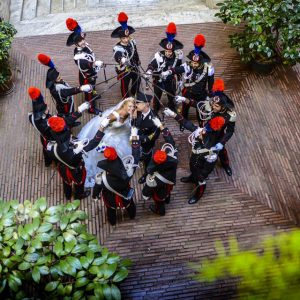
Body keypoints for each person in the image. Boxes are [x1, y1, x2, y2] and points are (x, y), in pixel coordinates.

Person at [163, 107, 225, 204]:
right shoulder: (202, 131)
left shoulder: (211, 150)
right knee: (193, 169)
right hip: (194, 160)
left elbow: (208, 168)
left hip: (201, 166)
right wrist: (173, 114)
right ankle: (192, 177)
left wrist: (201, 176)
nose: (201, 130)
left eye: (204, 131)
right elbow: (187, 124)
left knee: (200, 181)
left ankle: (198, 194)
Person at [176, 79, 236, 176]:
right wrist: (184, 100)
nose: (213, 107)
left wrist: (221, 142)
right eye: (213, 105)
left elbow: (230, 131)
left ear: (223, 107)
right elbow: (197, 104)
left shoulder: (229, 116)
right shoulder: (211, 105)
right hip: (205, 132)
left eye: (216, 106)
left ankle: (226, 165)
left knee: (222, 152)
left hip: (218, 137)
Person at [78, 97, 136, 187]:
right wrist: (103, 130)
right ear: (124, 105)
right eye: (129, 106)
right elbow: (104, 123)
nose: (131, 108)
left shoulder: (130, 113)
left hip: (121, 133)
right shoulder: (115, 115)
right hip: (110, 135)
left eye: (133, 106)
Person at [46, 112, 104, 200]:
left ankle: (68, 194)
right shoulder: (75, 151)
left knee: (66, 182)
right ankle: (79, 195)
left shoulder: (53, 146)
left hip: (62, 167)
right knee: (79, 184)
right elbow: (93, 143)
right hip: (76, 170)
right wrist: (101, 129)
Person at [161, 34, 214, 127]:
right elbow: (178, 69)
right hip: (188, 92)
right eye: (192, 62)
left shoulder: (208, 69)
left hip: (200, 94)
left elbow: (210, 83)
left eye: (195, 63)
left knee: (200, 112)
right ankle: (182, 124)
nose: (193, 64)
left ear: (200, 62)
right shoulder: (188, 65)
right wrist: (168, 72)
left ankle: (201, 126)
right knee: (185, 110)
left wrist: (209, 95)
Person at [28, 87, 89, 167]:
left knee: (46, 151)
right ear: (42, 114)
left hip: (44, 137)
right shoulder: (47, 124)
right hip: (53, 139)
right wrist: (78, 111)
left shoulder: (33, 117)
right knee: (59, 153)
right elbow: (65, 122)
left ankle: (48, 162)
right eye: (46, 109)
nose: (48, 108)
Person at [92, 127, 140, 226]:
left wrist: (95, 195)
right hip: (124, 193)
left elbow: (97, 189)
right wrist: (134, 138)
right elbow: (135, 155)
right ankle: (132, 215)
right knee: (129, 205)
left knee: (111, 209)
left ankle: (113, 222)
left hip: (110, 197)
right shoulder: (127, 173)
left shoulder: (101, 179)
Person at [66, 17, 104, 115]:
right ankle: (91, 108)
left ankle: (94, 94)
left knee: (93, 88)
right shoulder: (78, 56)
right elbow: (84, 65)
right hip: (87, 76)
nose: (83, 42)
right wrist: (95, 64)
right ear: (76, 44)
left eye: (83, 39)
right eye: (80, 41)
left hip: (92, 73)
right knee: (89, 92)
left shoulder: (83, 46)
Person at [141, 117, 178, 216]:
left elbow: (148, 188)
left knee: (159, 201)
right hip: (169, 181)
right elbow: (170, 140)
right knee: (167, 193)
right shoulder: (173, 159)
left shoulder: (155, 176)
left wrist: (145, 194)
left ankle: (160, 211)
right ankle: (168, 199)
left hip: (159, 188)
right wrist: (162, 127)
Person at [144, 22, 183, 113]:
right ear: (164, 50)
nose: (168, 53)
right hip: (159, 81)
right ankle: (155, 109)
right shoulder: (159, 56)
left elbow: (179, 68)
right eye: (167, 51)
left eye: (170, 51)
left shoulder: (177, 57)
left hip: (170, 80)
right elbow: (152, 65)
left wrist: (180, 80)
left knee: (171, 96)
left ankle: (172, 108)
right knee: (157, 96)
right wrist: (149, 72)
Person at [133, 92, 161, 184]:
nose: (136, 105)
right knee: (139, 154)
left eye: (138, 103)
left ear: (146, 104)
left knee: (147, 159)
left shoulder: (155, 119)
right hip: (138, 140)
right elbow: (135, 124)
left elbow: (154, 136)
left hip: (147, 144)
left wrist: (139, 138)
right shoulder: (138, 112)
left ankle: (146, 173)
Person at [111, 12, 141, 98]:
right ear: (120, 38)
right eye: (124, 38)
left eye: (127, 37)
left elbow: (135, 52)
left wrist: (138, 60)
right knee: (124, 84)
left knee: (138, 79)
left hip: (134, 66)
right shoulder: (117, 48)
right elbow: (117, 56)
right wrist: (122, 59)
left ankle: (135, 92)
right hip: (125, 69)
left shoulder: (132, 43)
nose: (126, 39)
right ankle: (125, 98)